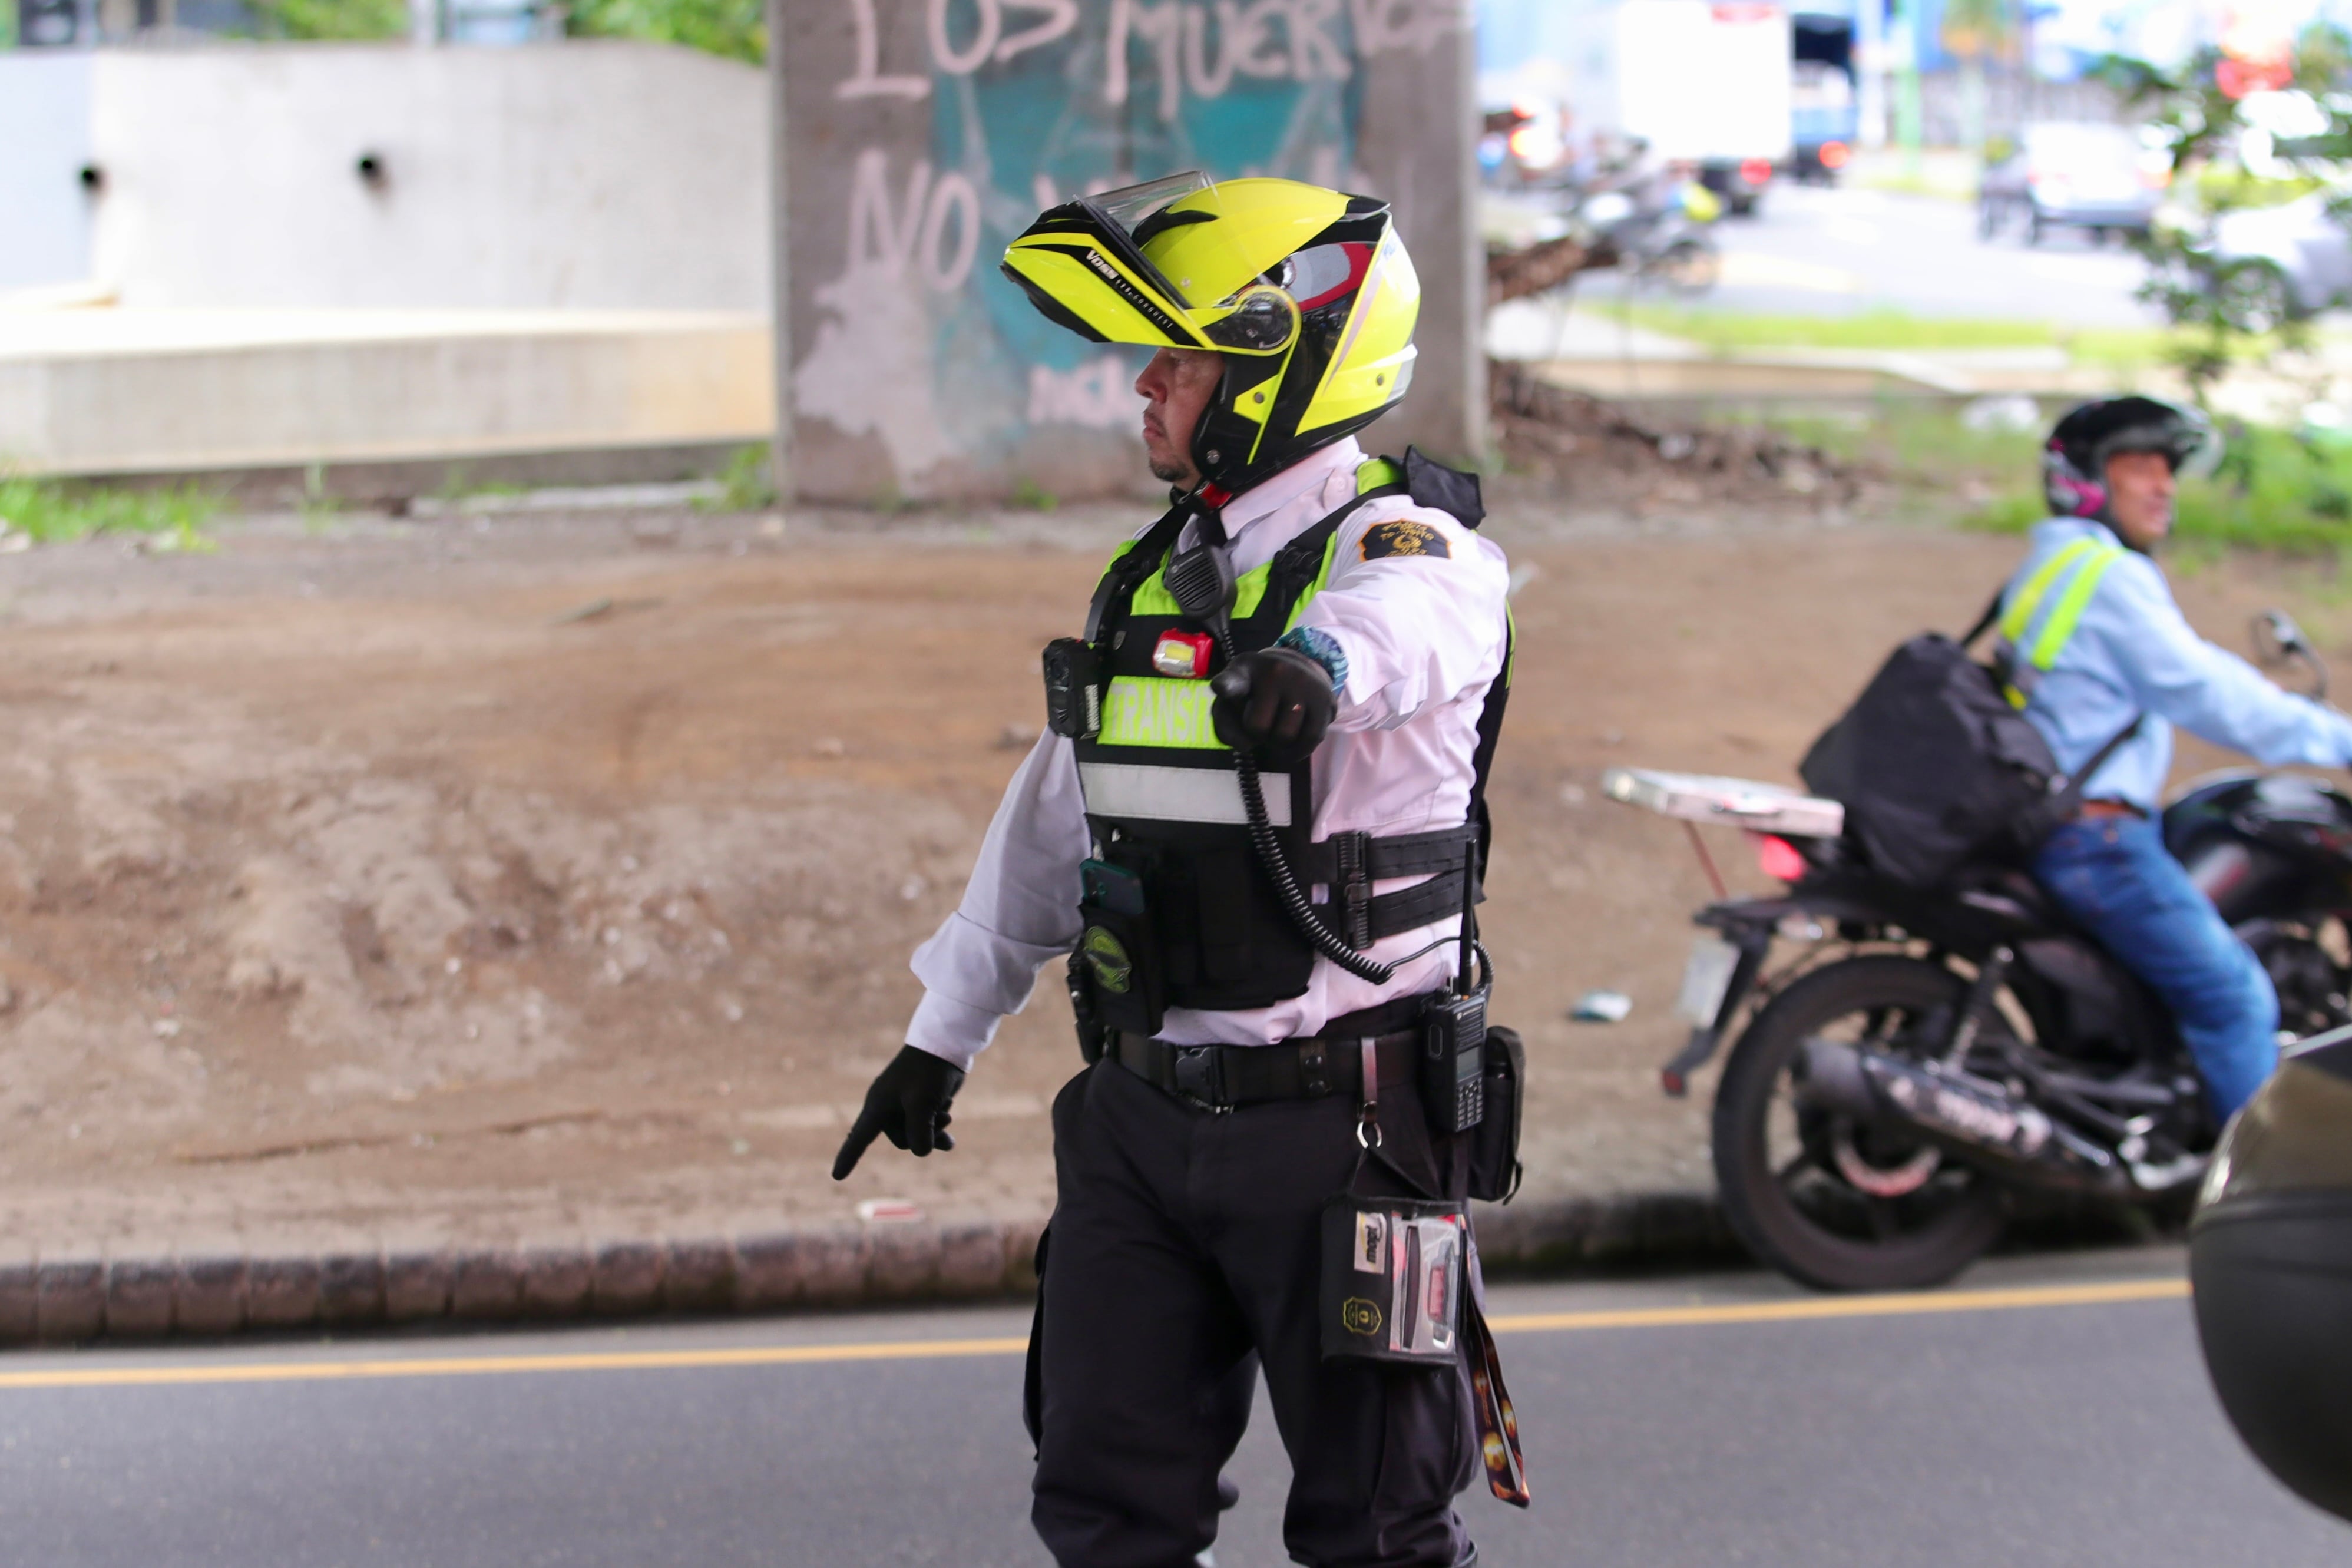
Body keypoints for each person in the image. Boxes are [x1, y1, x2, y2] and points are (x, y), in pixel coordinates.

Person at [829, 172, 1516, 1567]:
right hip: (1139, 1129)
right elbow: (1050, 821)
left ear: (1281, 369)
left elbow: (1411, 628)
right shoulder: (1152, 583)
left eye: (1181, 360)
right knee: (1104, 1512)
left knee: (1377, 1529)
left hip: (1349, 1141)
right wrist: (937, 1037)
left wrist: (1317, 668)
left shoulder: (1410, 553)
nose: (1144, 387)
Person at [2003, 396, 2352, 1120]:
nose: (2162, 485)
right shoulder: (2109, 576)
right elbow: (2207, 692)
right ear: (2086, 480)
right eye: (2138, 467)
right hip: (2098, 840)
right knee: (2234, 996)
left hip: (2058, 824)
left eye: (2167, 468)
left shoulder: (2053, 562)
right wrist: (2337, 739)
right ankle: (2265, 1202)